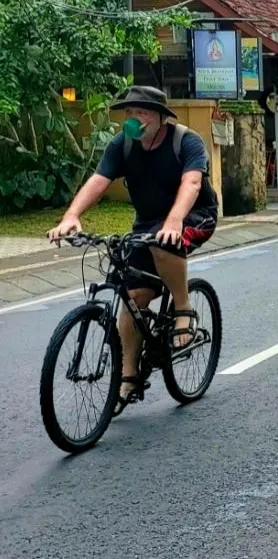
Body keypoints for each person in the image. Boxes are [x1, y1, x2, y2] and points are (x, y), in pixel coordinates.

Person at [48, 86, 219, 413]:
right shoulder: (122, 145)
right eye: (129, 113)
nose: (134, 119)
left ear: (158, 117)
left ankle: (183, 308)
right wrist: (71, 216)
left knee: (163, 240)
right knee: (133, 297)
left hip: (194, 215)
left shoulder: (185, 141)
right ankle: (129, 379)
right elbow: (99, 180)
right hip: (148, 221)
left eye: (141, 112)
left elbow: (192, 184)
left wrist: (173, 221)